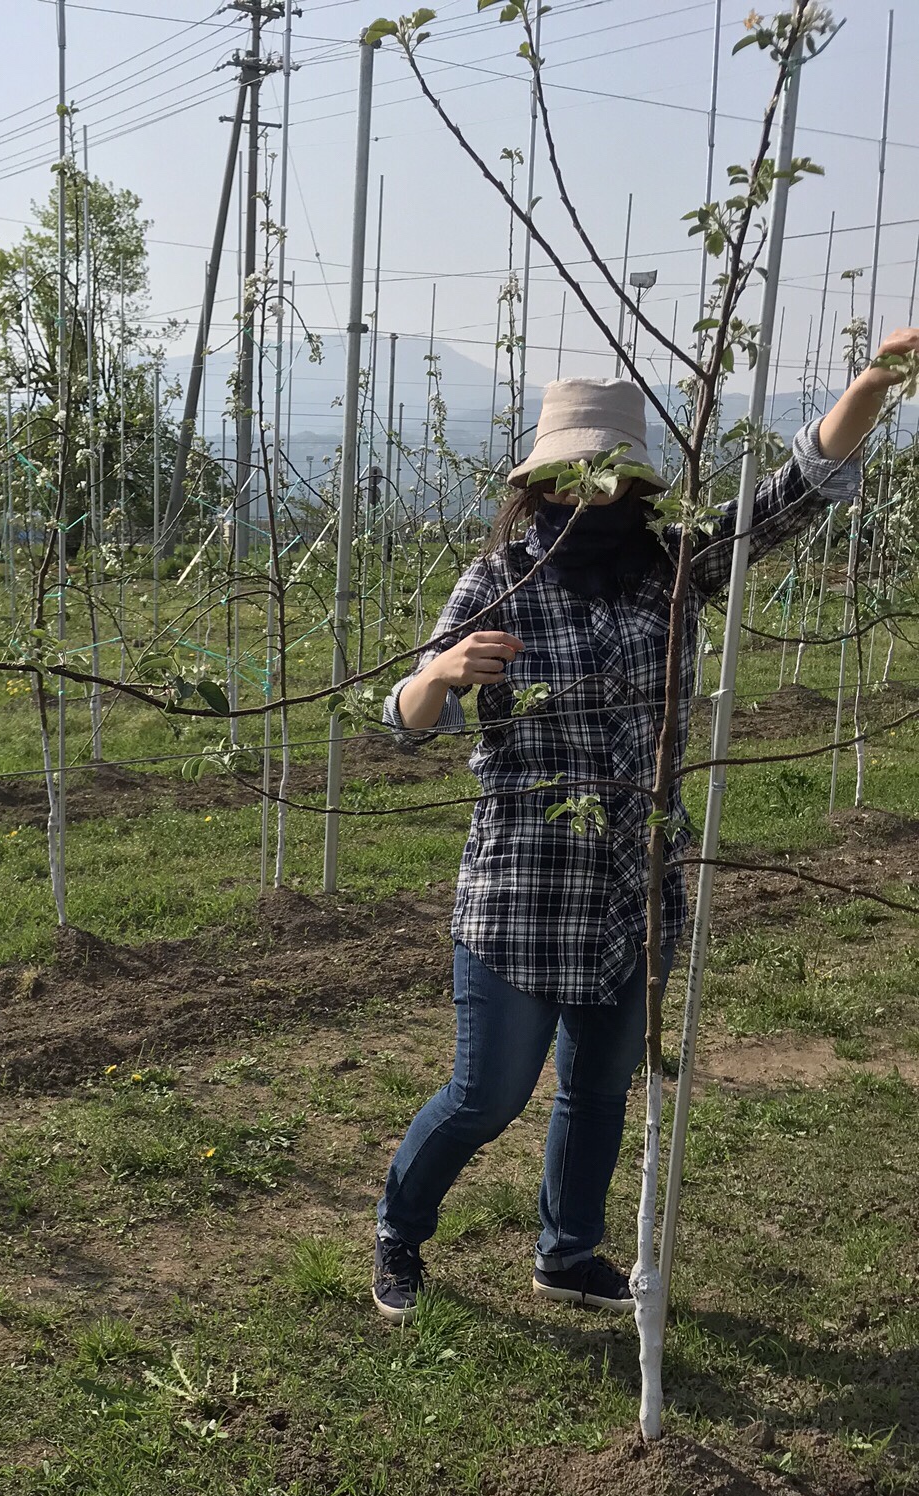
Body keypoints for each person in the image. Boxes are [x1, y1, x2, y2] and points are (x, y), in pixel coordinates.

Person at [373, 331, 919, 1325]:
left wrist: (875, 381)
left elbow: (792, 494)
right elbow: (403, 720)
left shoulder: (669, 570)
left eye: (608, 472)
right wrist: (440, 674)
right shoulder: (501, 580)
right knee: (487, 1093)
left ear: (633, 483)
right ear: (542, 483)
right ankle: (399, 1231)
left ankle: (567, 1253)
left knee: (598, 1089)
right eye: (571, 473)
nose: (590, 489)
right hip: (524, 889)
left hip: (635, 883)